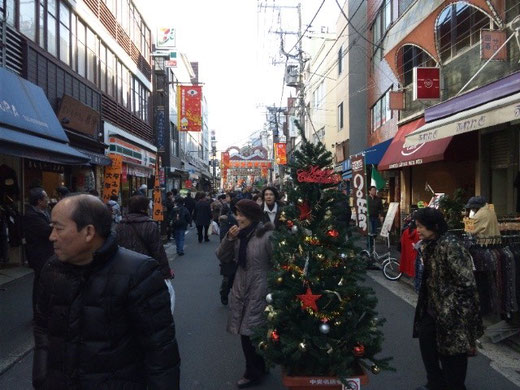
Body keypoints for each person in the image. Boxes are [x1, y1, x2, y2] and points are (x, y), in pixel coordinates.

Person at [33, 194, 180, 389]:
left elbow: (160, 350)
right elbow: (43, 329)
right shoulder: (52, 269)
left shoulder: (140, 273)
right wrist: (42, 377)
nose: (52, 236)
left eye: (58, 228)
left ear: (89, 232)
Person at [413, 207, 483, 390]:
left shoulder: (451, 245)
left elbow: (467, 284)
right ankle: (435, 383)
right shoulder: (430, 244)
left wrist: (454, 312)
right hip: (432, 308)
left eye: (420, 226)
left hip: (453, 313)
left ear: (433, 226)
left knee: (452, 357)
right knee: (427, 346)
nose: (417, 230)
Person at [216, 199, 273, 388]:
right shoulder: (238, 235)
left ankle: (252, 372)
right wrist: (229, 239)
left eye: (240, 214)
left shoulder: (266, 235)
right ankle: (260, 366)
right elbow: (222, 256)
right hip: (240, 286)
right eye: (236, 214)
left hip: (260, 287)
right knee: (247, 330)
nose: (237, 218)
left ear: (251, 216)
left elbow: (278, 261)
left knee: (250, 332)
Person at [115, 195, 172, 279]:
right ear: (144, 208)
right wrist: (165, 273)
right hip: (145, 267)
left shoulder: (120, 225)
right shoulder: (150, 225)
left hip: (124, 268)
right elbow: (158, 250)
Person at [23, 187, 53, 315]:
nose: (47, 200)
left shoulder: (44, 212)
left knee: (44, 282)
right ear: (39, 201)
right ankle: (38, 312)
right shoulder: (31, 215)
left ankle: (43, 310)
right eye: (45, 197)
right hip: (38, 254)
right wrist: (55, 224)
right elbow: (45, 231)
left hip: (45, 252)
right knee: (40, 283)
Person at [218, 196, 239, 305]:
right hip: (229, 254)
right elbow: (222, 237)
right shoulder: (228, 219)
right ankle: (224, 294)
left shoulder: (247, 219)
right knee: (227, 278)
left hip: (240, 253)